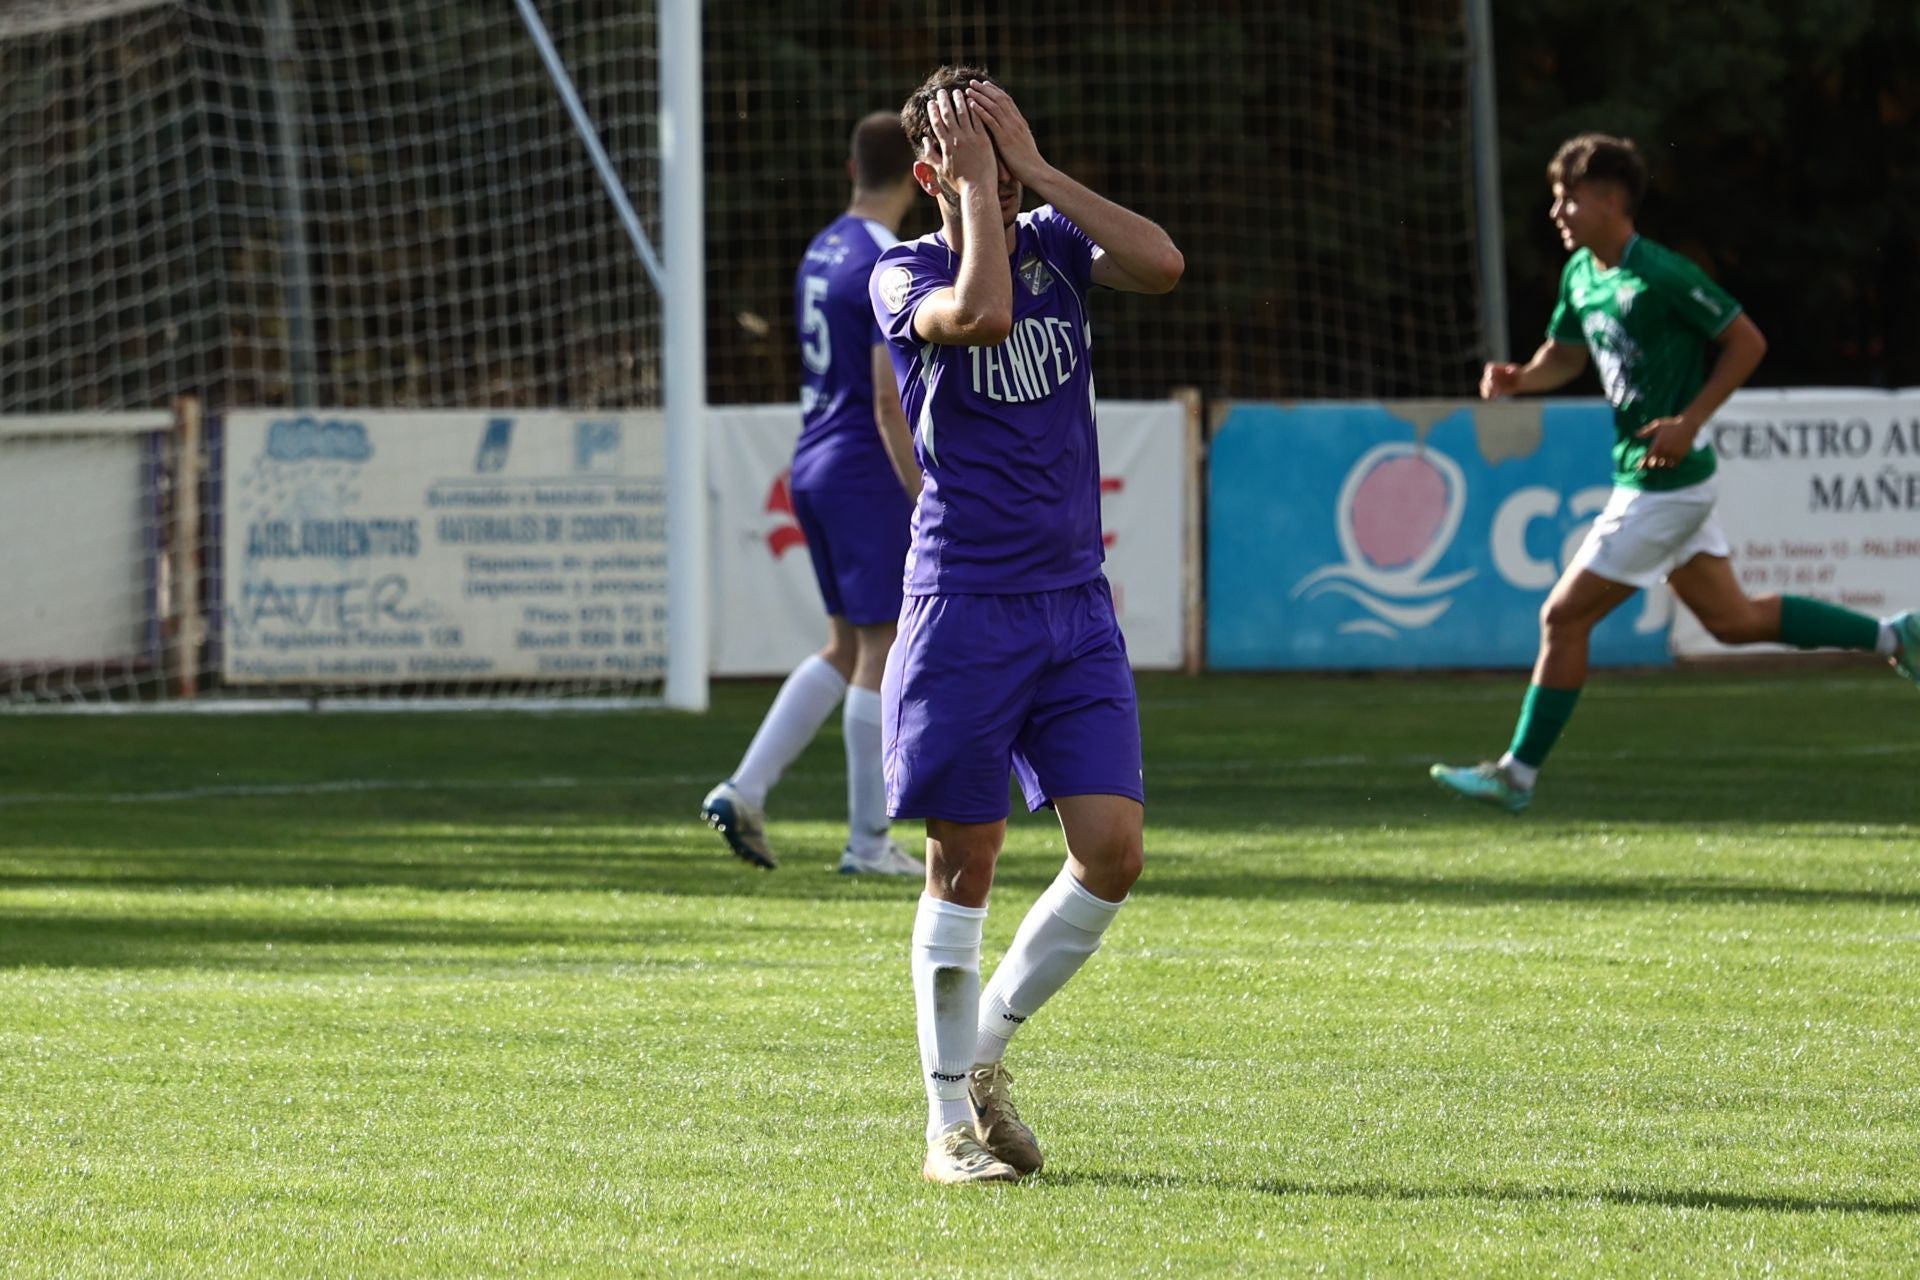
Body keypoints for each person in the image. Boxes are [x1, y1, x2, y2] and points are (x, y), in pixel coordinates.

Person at [870, 66, 1183, 1183]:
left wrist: (1037, 170)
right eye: (974, 159)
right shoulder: (903, 271)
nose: (999, 180)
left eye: (1006, 155)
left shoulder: (1053, 234)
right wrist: (971, 196)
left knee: (1114, 851)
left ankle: (984, 1052)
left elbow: (1163, 265)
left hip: (1073, 604)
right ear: (930, 174)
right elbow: (983, 313)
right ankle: (944, 1127)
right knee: (965, 861)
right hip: (963, 604)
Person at [1432, 133, 1920, 814]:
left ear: (1610, 201)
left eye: (1568, 199)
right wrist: (1520, 379)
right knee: (1733, 621)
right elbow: (1564, 356)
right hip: (1647, 479)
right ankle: (1898, 635)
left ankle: (1516, 775)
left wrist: (1689, 420)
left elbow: (1746, 341)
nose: (1557, 212)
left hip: (1667, 485)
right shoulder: (1582, 275)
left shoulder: (1661, 274)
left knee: (1562, 617)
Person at [701, 113, 925, 875]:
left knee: (845, 644)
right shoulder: (886, 257)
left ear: (850, 169)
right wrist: (923, 489)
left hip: (812, 462)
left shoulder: (823, 246)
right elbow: (888, 399)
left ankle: (745, 789)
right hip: (865, 466)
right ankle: (868, 844)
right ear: (919, 175)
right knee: (881, 646)